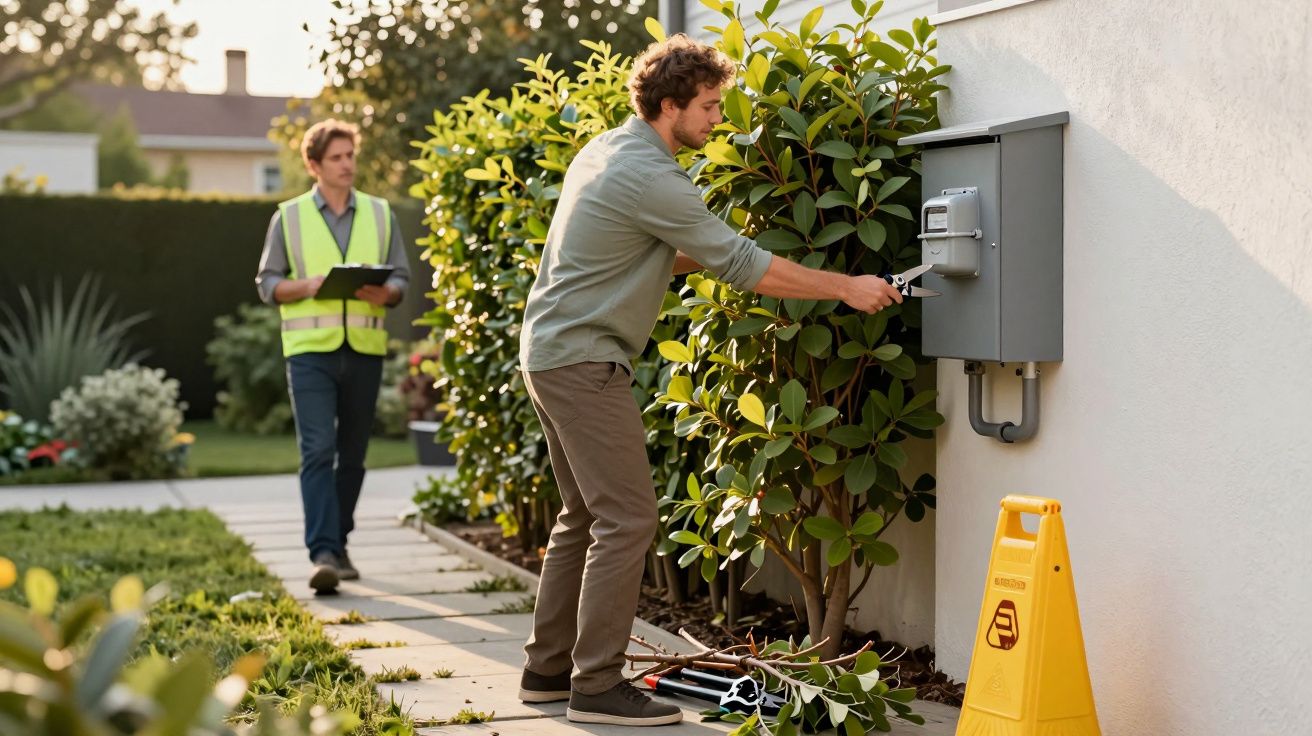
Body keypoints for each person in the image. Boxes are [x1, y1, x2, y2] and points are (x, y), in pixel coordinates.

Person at [516, 35, 904, 727]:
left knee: (583, 516)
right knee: (627, 519)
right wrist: (845, 285)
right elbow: (741, 266)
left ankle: (548, 671)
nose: (719, 120)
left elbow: (648, 253)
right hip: (582, 361)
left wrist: (730, 246)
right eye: (710, 107)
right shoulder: (651, 175)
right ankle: (596, 687)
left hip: (551, 350)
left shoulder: (609, 148)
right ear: (671, 106)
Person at [255, 119, 410, 594]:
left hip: (364, 350)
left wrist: (387, 295)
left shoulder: (381, 213)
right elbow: (268, 284)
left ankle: (338, 543)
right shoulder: (289, 216)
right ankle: (322, 552)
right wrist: (310, 286)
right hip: (310, 355)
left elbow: (401, 277)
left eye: (350, 156)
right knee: (318, 450)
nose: (347, 165)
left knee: (354, 455)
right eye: (337, 157)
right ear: (315, 164)